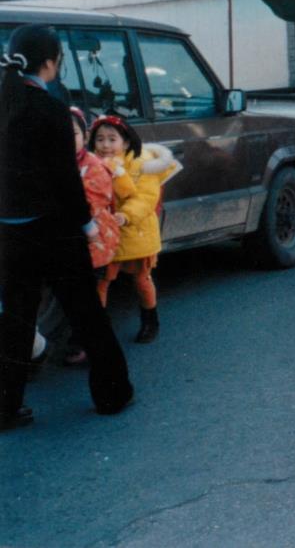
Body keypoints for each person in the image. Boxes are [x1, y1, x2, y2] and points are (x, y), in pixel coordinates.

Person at [0, 26, 133, 430]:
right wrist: (89, 225)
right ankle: (112, 393)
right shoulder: (50, 109)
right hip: (55, 231)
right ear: (51, 62)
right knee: (86, 312)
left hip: (9, 232)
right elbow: (65, 180)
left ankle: (6, 407)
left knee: (17, 319)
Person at [89, 115, 180, 343]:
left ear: (126, 142)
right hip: (103, 232)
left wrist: (125, 215)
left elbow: (146, 198)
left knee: (141, 279)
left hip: (135, 230)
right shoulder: (91, 163)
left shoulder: (143, 164)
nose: (106, 145)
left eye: (112, 139)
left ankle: (150, 319)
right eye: (100, 139)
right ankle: (95, 331)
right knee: (101, 281)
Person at [62, 108, 122, 365]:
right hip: (69, 241)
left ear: (85, 136)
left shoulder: (94, 166)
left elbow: (90, 203)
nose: (65, 138)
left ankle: (86, 344)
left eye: (73, 133)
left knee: (88, 296)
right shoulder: (55, 162)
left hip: (94, 242)